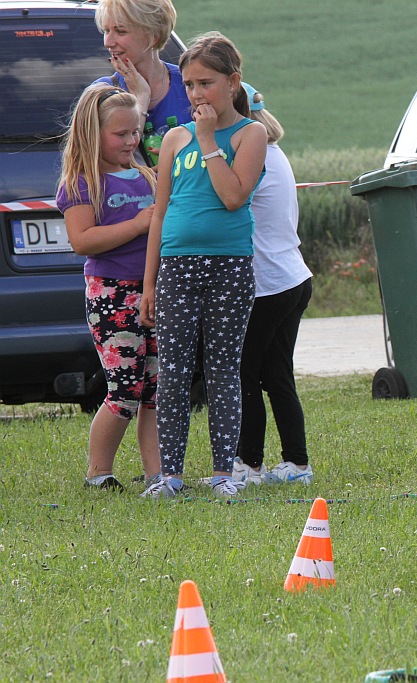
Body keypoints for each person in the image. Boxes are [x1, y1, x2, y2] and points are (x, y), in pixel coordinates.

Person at [139, 32, 268, 498]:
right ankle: (169, 474)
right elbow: (160, 212)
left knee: (222, 370)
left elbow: (234, 196)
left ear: (233, 83)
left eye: (206, 83)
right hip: (176, 265)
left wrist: (211, 139)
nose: (195, 94)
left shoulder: (251, 135)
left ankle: (222, 474)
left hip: (229, 266)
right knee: (172, 370)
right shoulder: (174, 139)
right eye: (189, 84)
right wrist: (149, 283)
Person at [56, 84, 160, 491]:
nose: (132, 140)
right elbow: (82, 240)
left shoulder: (147, 175)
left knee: (155, 387)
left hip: (152, 289)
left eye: (135, 131)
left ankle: (158, 474)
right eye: (121, 134)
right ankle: (98, 472)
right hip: (111, 293)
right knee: (125, 389)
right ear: (92, 134)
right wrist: (137, 224)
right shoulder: (83, 183)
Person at [230, 83, 314, 487]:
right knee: (277, 375)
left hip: (267, 286)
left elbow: (227, 200)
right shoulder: (276, 154)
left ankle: (249, 465)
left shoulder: (254, 157)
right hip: (292, 276)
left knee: (245, 372)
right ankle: (297, 465)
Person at [93, 0, 191, 166]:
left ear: (153, 36)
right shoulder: (102, 94)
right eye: (106, 31)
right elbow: (110, 164)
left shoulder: (189, 83)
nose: (108, 42)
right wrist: (142, 97)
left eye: (120, 31)